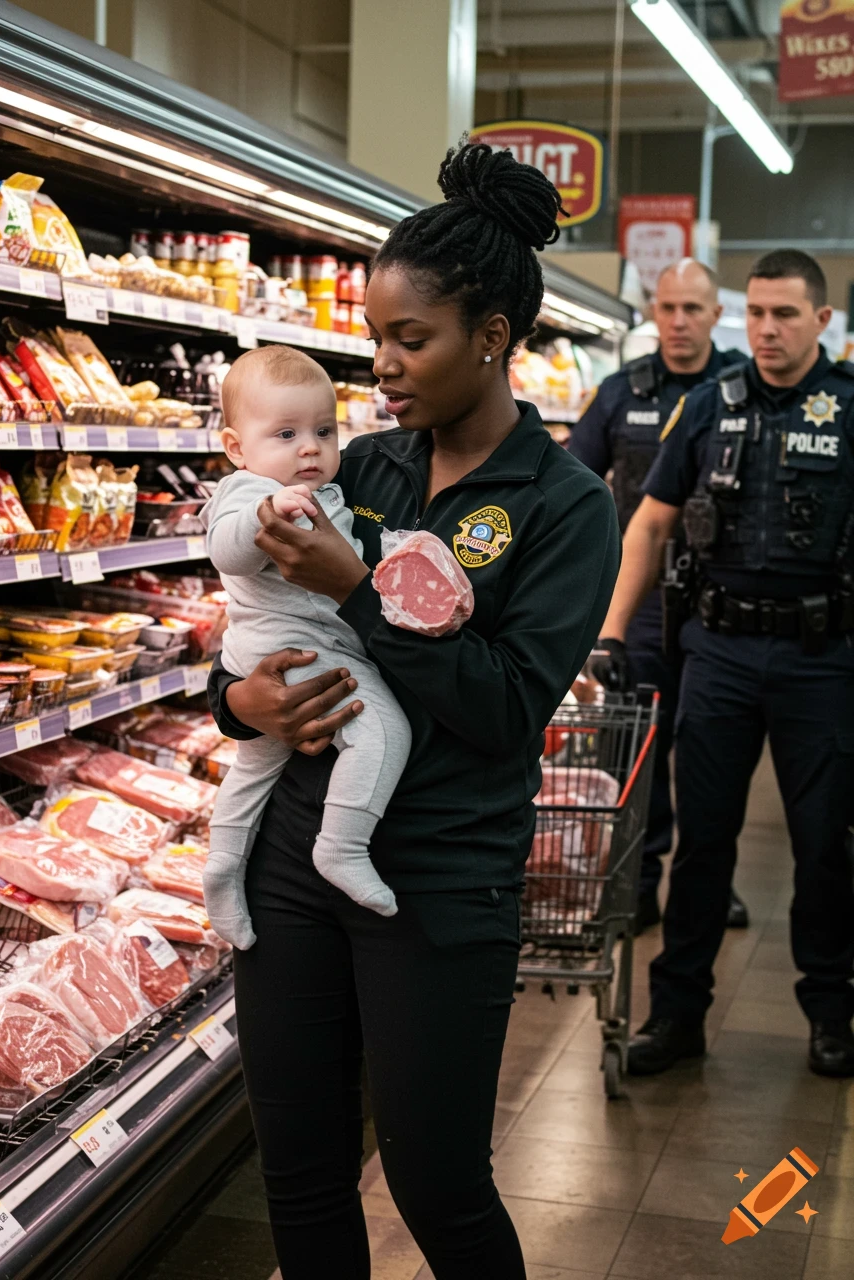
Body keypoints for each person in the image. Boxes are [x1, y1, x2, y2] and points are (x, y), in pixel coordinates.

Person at [205, 141, 620, 1279]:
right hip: (294, 856)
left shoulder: (564, 506)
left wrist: (357, 586)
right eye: (377, 338)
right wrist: (238, 700)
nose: (380, 365)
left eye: (410, 339)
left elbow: (503, 703)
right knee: (298, 1166)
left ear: (490, 336)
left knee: (437, 1180)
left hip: (441, 874)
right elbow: (249, 623)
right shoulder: (360, 468)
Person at [595, 249, 854, 1078]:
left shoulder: (850, 410)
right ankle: (676, 1018)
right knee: (703, 842)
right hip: (719, 654)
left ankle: (832, 1011)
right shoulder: (710, 406)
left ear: (823, 321)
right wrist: (610, 629)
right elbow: (648, 524)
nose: (768, 330)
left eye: (786, 315)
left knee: (825, 844)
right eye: (758, 314)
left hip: (824, 659)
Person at [202, 345, 412, 947]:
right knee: (383, 731)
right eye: (287, 433)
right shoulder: (249, 491)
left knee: (253, 773)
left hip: (285, 655)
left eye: (324, 430)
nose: (310, 448)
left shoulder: (330, 490)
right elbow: (226, 550)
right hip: (298, 654)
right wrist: (264, 515)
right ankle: (342, 846)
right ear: (237, 448)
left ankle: (221, 866)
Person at [569, 258, 749, 933]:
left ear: (714, 314)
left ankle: (708, 887)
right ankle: (637, 886)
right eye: (667, 307)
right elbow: (572, 480)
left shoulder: (742, 390)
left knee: (710, 760)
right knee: (636, 753)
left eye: (692, 309)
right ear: (654, 310)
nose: (678, 321)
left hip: (711, 606)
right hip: (638, 604)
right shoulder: (622, 390)